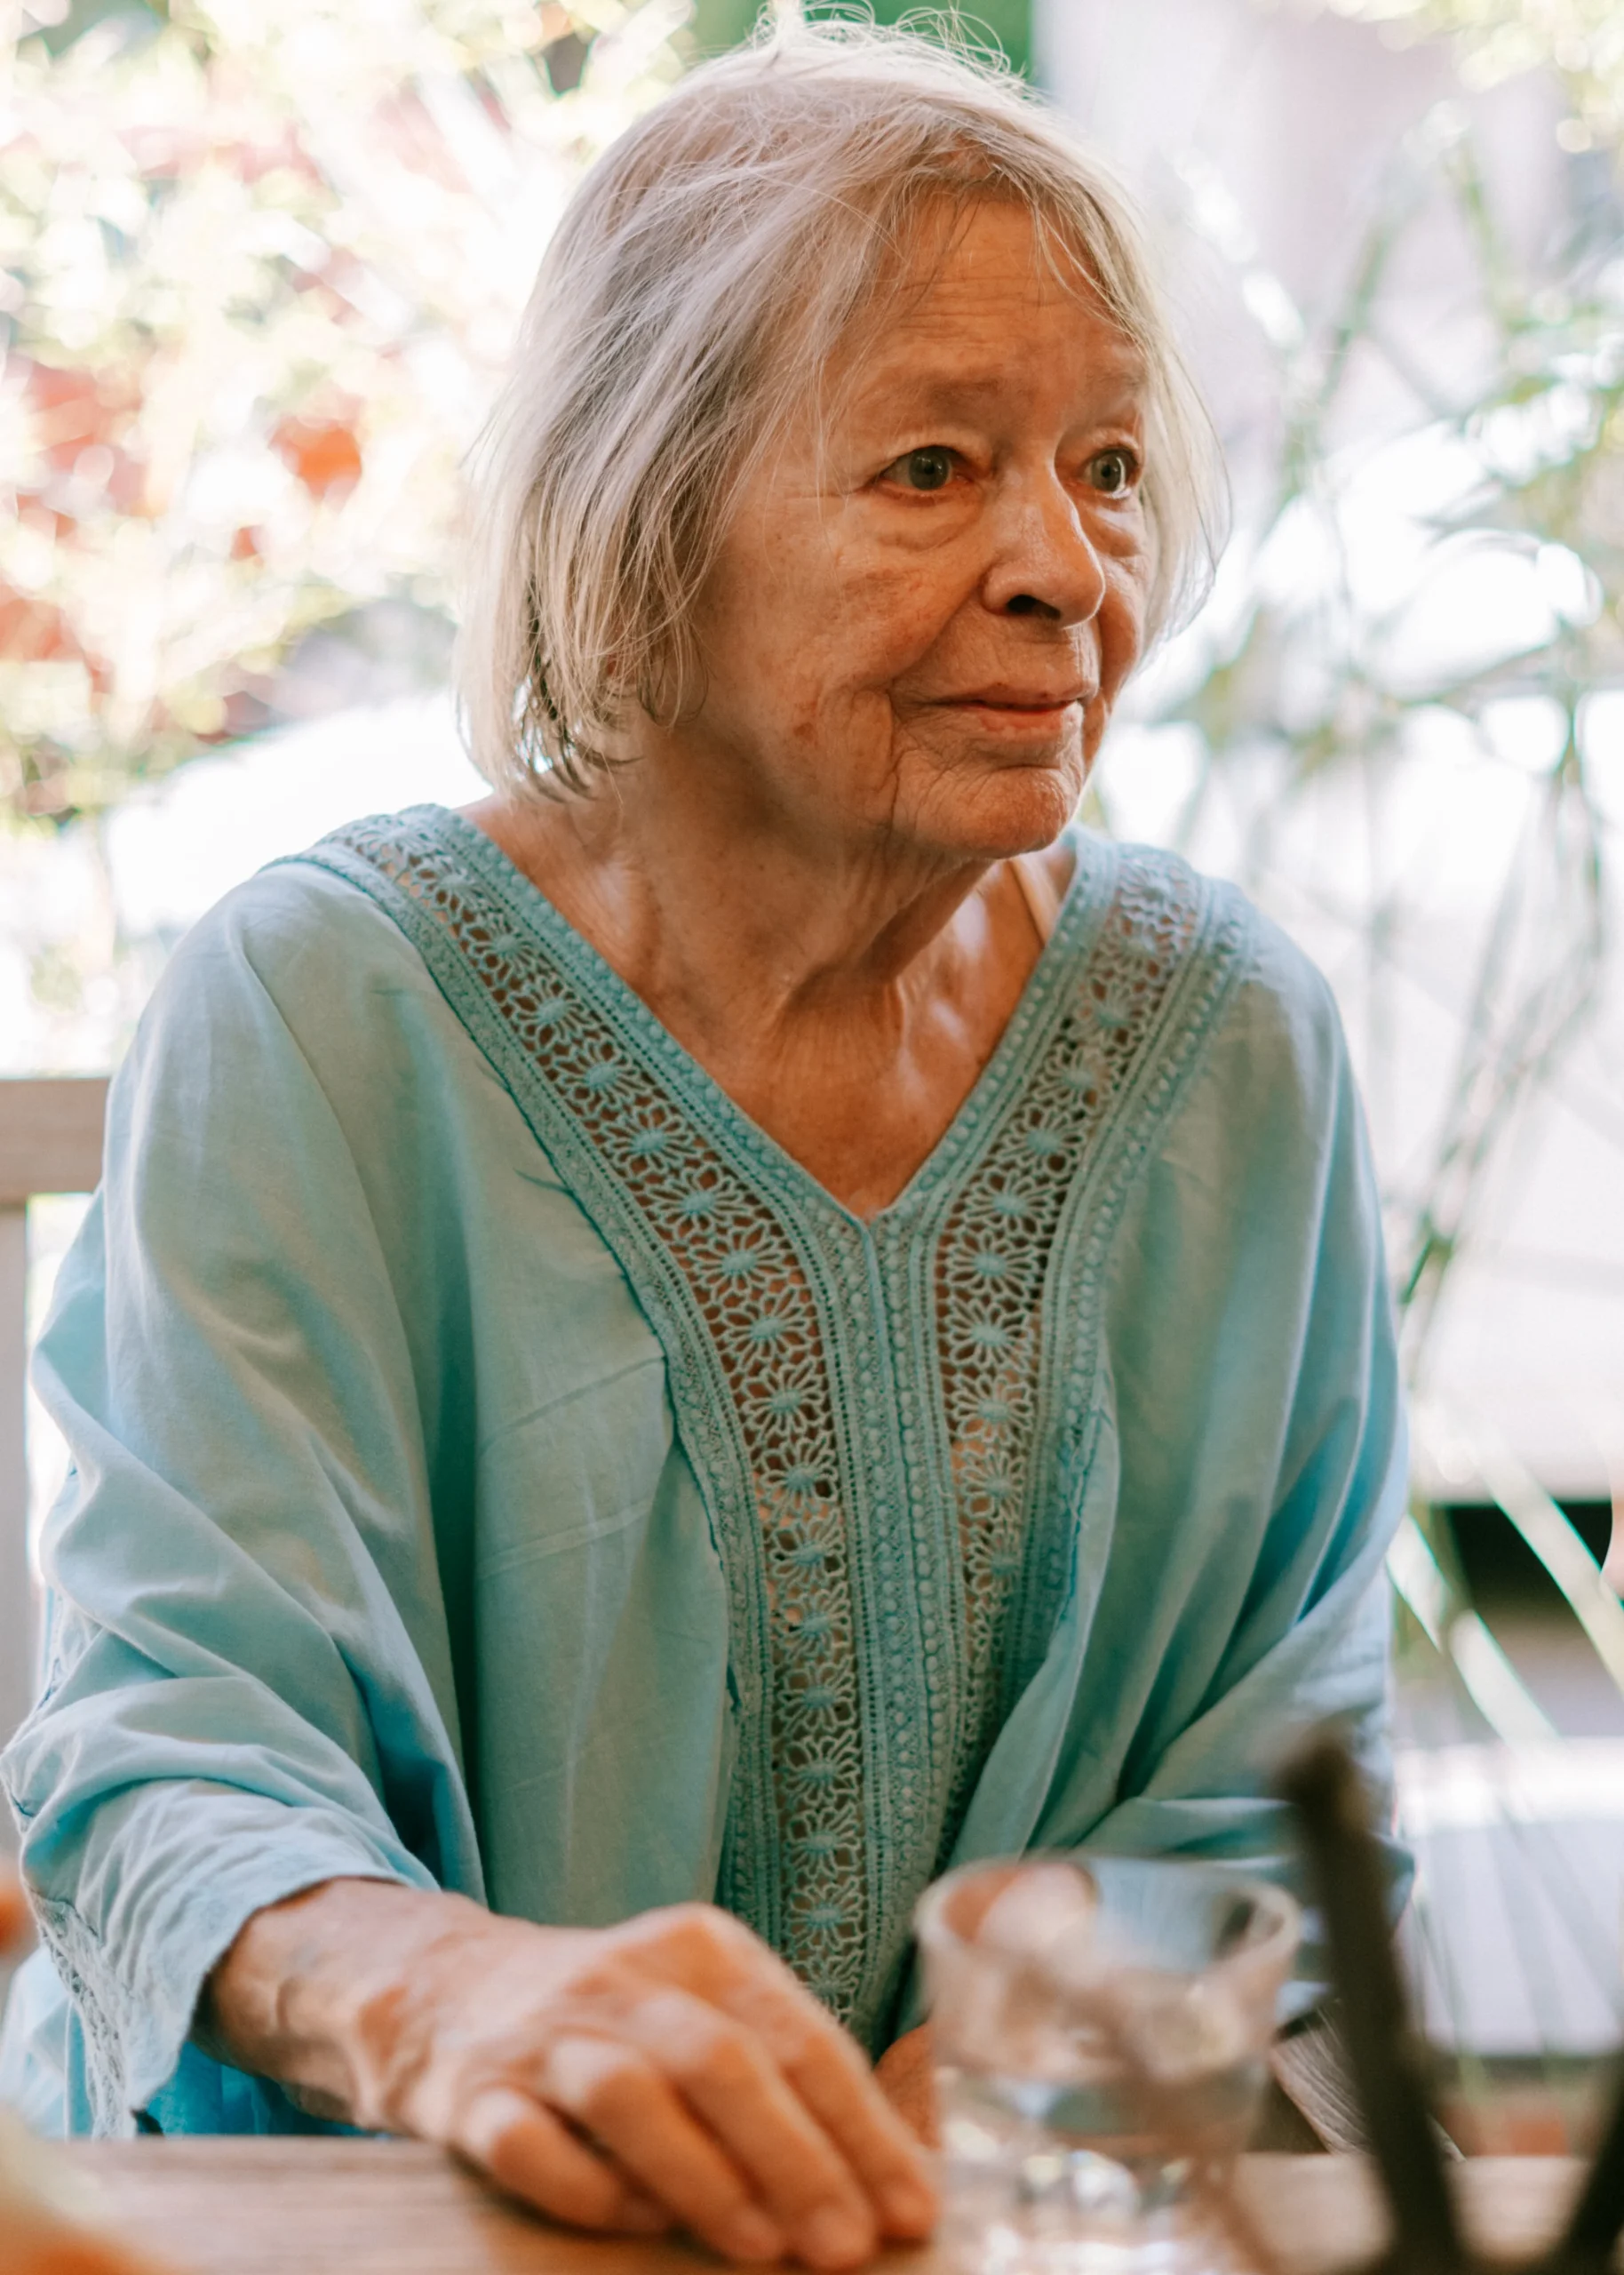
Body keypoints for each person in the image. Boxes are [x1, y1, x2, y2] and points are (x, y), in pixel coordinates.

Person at [0, 20, 1406, 2264]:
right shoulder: (324, 1007)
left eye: (1112, 465)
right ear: (648, 508)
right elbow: (170, 1744)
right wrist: (460, 2000)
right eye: (933, 467)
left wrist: (1032, 2030)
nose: (1065, 563)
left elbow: (1281, 1753)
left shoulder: (1230, 1037)